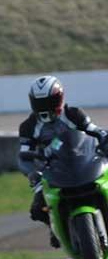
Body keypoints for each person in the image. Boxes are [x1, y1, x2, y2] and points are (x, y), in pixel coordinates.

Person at [17, 75, 108, 248]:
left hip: (85, 164)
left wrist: (105, 139)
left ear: (60, 97)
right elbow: (23, 155)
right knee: (38, 209)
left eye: (51, 100)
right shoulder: (28, 126)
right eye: (40, 103)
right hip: (53, 171)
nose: (46, 107)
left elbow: (95, 131)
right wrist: (33, 173)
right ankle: (54, 227)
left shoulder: (74, 114)